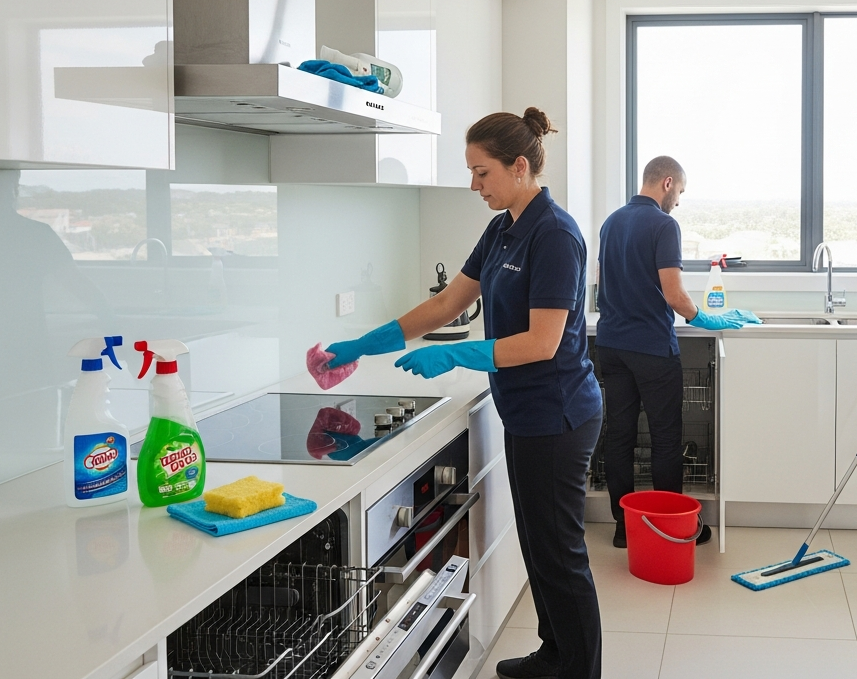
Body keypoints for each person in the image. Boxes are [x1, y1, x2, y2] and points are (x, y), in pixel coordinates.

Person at [323, 108, 604, 679]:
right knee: (539, 544)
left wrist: (453, 353)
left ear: (519, 167)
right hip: (525, 411)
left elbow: (543, 342)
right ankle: (556, 655)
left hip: (559, 413)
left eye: (482, 173)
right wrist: (364, 343)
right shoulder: (504, 228)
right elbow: (448, 303)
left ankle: (579, 670)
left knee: (561, 553)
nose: (474, 185)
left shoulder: (555, 234)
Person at [594, 156, 760, 549]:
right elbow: (675, 295)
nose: (679, 202)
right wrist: (707, 319)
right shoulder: (665, 225)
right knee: (666, 437)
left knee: (619, 435)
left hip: (611, 346)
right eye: (680, 192)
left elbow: (603, 286)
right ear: (667, 183)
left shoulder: (611, 222)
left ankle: (624, 527)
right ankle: (668, 526)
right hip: (651, 349)